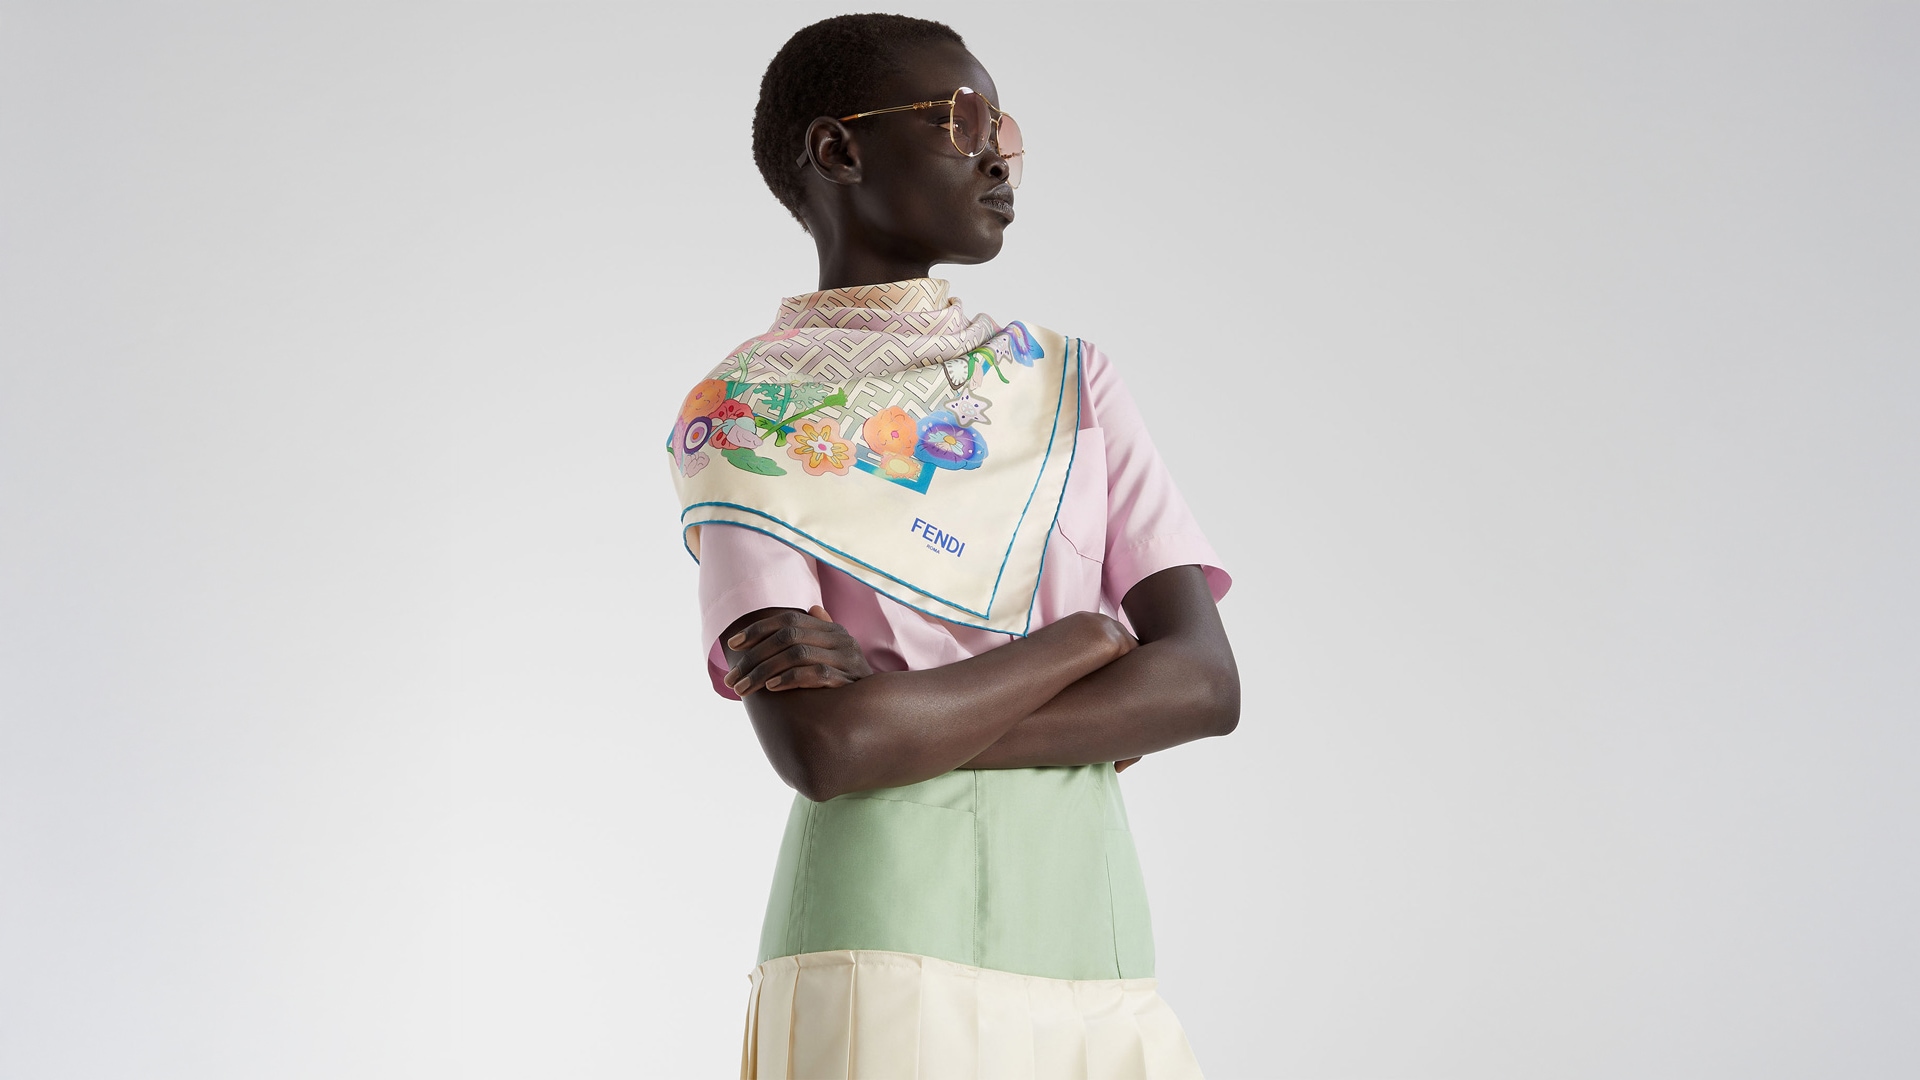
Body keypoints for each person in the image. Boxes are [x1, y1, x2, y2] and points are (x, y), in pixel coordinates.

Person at [669, 14, 1239, 1078]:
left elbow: (1204, 685)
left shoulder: (1070, 383)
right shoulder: (742, 416)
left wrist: (899, 719)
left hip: (1090, 918)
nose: (998, 158)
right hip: (878, 919)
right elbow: (823, 751)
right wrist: (1083, 643)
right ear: (837, 149)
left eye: (1005, 132)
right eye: (962, 121)